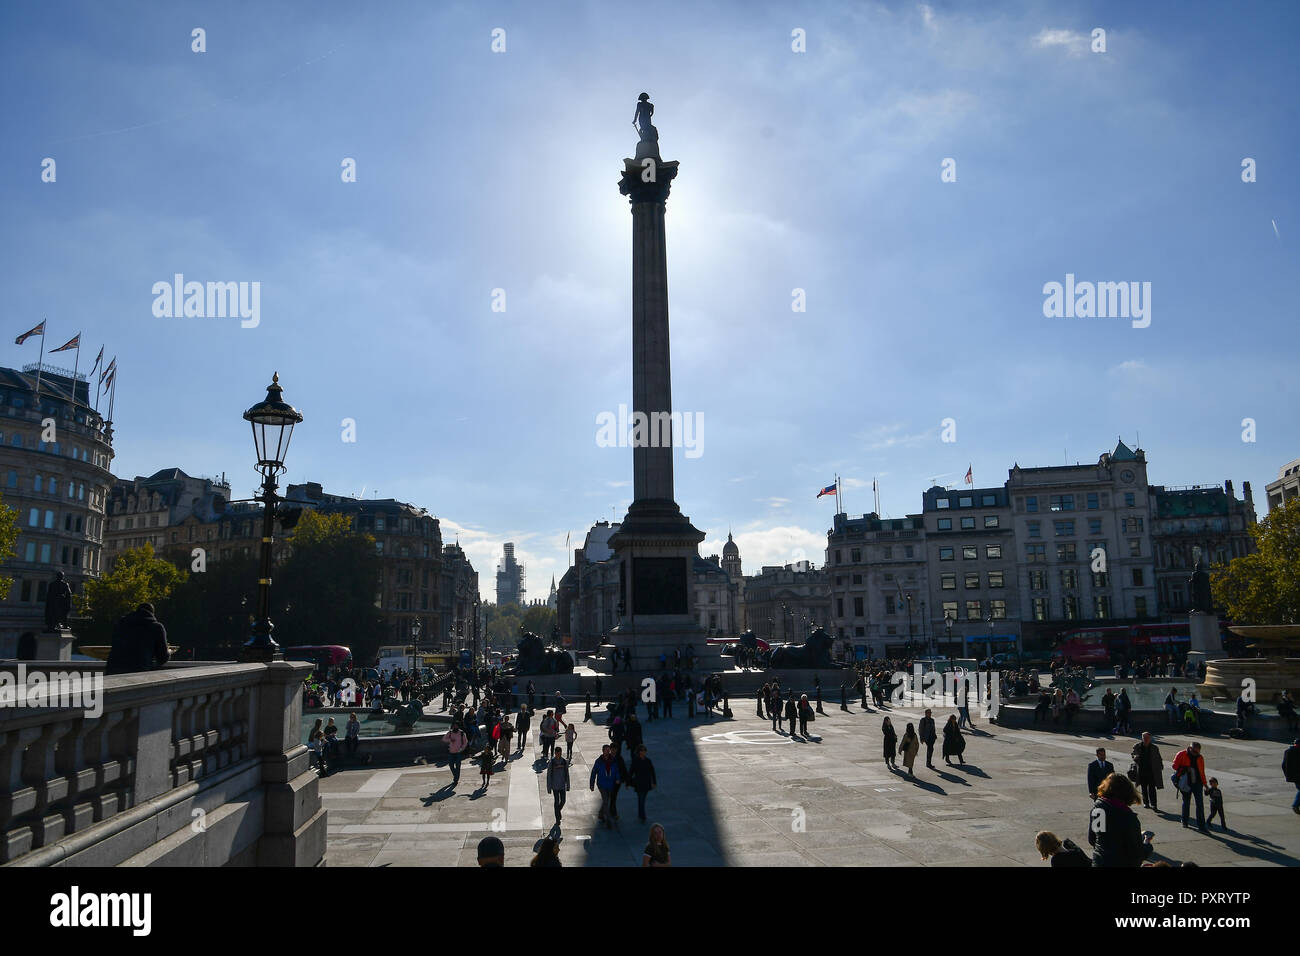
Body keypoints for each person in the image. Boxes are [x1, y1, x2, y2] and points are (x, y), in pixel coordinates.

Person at [1087, 773, 1154, 867]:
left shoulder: (1098, 811)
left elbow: (1092, 839)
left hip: (1100, 862)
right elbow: (1136, 853)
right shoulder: (1128, 817)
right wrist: (1147, 845)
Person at [104, 603, 171, 675]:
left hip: (113, 669)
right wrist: (169, 651)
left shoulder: (121, 624)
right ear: (152, 614)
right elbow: (162, 657)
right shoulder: (156, 627)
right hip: (138, 671)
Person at [1171, 741, 1208, 833]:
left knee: (1200, 804)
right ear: (1190, 748)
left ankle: (1201, 825)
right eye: (1195, 752)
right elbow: (1174, 766)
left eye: (1198, 752)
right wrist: (1184, 767)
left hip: (1197, 783)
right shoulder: (1181, 754)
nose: (1197, 754)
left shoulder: (1200, 757)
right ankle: (1184, 821)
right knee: (1186, 802)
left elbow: (1202, 772)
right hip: (1186, 782)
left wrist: (1205, 784)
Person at [1130, 732, 1164, 811]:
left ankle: (1154, 804)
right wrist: (1135, 757)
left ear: (1150, 738)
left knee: (1152, 788)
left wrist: (1161, 766)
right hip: (1141, 771)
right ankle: (1146, 803)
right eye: (1144, 738)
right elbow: (1133, 754)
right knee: (1144, 788)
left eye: (1147, 738)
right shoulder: (1137, 746)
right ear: (1142, 738)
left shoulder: (1154, 747)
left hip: (1152, 771)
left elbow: (1159, 757)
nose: (1145, 740)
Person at [590, 745, 621, 829]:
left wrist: (618, 778)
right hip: (602, 784)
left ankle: (600, 814)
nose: (607, 752)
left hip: (611, 784)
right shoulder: (599, 761)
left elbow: (617, 770)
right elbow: (593, 772)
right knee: (606, 801)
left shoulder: (613, 760)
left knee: (606, 800)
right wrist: (591, 784)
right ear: (603, 751)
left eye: (608, 750)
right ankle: (608, 820)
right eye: (606, 750)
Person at [629, 744, 657, 823]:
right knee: (641, 798)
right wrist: (628, 782)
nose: (643, 752)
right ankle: (642, 815)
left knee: (642, 799)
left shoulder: (648, 761)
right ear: (639, 752)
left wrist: (654, 782)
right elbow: (631, 772)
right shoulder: (636, 761)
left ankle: (640, 813)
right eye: (642, 751)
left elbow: (652, 772)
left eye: (644, 751)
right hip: (639, 783)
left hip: (646, 782)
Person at [546, 749, 570, 826]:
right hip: (555, 786)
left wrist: (568, 785)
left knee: (563, 801)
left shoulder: (564, 762)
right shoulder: (552, 762)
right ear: (555, 753)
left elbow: (567, 774)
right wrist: (549, 787)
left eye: (560, 753)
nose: (559, 755)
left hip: (562, 785)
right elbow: (549, 775)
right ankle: (557, 819)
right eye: (557, 753)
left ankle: (558, 811)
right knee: (556, 802)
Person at [1284, 739, 1300, 814]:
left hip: (1293, 776)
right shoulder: (1298, 752)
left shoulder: (1288, 751)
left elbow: (1283, 765)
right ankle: (1295, 805)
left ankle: (1296, 805)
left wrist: (1287, 775)